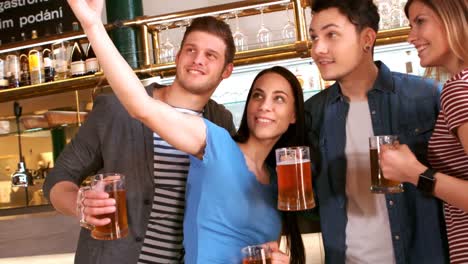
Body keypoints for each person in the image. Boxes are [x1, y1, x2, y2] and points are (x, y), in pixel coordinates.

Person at [65, 0, 306, 263]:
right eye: (258, 95)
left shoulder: (279, 184)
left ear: (294, 115)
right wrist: (93, 26)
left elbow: (268, 247)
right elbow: (141, 106)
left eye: (279, 99)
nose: (265, 106)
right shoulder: (216, 142)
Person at [43, 16, 237, 264]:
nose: (198, 59)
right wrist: (79, 204)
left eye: (211, 55)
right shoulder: (115, 109)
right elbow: (57, 179)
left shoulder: (220, 121)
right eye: (191, 50)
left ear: (227, 70)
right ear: (178, 57)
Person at [303, 0, 449, 263]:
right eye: (314, 37)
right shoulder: (312, 113)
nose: (318, 49)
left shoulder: (427, 97)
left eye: (331, 34)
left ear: (367, 38)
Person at [380, 0, 468, 262]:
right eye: (410, 25)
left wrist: (416, 174)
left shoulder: (457, 90)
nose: (411, 37)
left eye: (421, 21)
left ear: (453, 18)